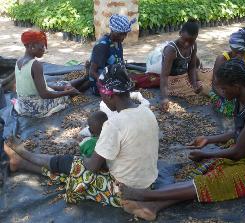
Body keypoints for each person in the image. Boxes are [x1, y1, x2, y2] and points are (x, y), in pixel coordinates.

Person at [118, 59, 245, 221]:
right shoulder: (240, 98)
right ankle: (154, 207)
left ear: (236, 86)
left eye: (223, 88)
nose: (220, 92)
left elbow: (238, 152)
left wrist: (206, 154)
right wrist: (209, 139)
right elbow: (238, 132)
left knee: (214, 180)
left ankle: (146, 195)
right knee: (206, 172)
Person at [4, 63, 159, 207]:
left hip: (124, 191)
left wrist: (84, 157)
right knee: (76, 170)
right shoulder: (146, 111)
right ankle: (21, 163)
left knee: (74, 167)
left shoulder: (114, 124)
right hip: (148, 185)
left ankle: (24, 154)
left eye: (102, 95)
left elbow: (92, 167)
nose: (102, 99)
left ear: (110, 95)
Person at [14, 30, 89, 118]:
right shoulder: (35, 65)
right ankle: (83, 81)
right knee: (66, 91)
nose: (44, 50)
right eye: (41, 46)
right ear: (32, 46)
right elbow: (44, 94)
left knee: (62, 85)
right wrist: (67, 92)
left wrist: (62, 88)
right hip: (37, 109)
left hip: (23, 106)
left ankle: (83, 78)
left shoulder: (19, 61)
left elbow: (36, 86)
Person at [208, 27, 245, 117]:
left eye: (242, 52)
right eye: (237, 52)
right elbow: (216, 85)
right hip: (223, 93)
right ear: (232, 48)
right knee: (233, 109)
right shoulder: (222, 59)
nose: (239, 55)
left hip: (238, 93)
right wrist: (228, 96)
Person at [160, 20, 212, 111]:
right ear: (180, 33)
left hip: (186, 75)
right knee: (205, 89)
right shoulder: (171, 49)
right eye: (185, 40)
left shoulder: (193, 45)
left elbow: (192, 67)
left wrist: (194, 83)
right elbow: (164, 76)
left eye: (191, 41)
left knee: (212, 74)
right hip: (174, 80)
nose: (187, 44)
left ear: (195, 38)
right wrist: (164, 98)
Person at [89, 14, 136, 95]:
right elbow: (92, 72)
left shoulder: (117, 42)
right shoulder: (102, 46)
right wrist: (107, 82)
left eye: (125, 34)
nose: (123, 37)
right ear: (113, 31)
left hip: (113, 77)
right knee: (123, 93)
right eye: (121, 34)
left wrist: (126, 76)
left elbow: (119, 62)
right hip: (101, 83)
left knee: (134, 83)